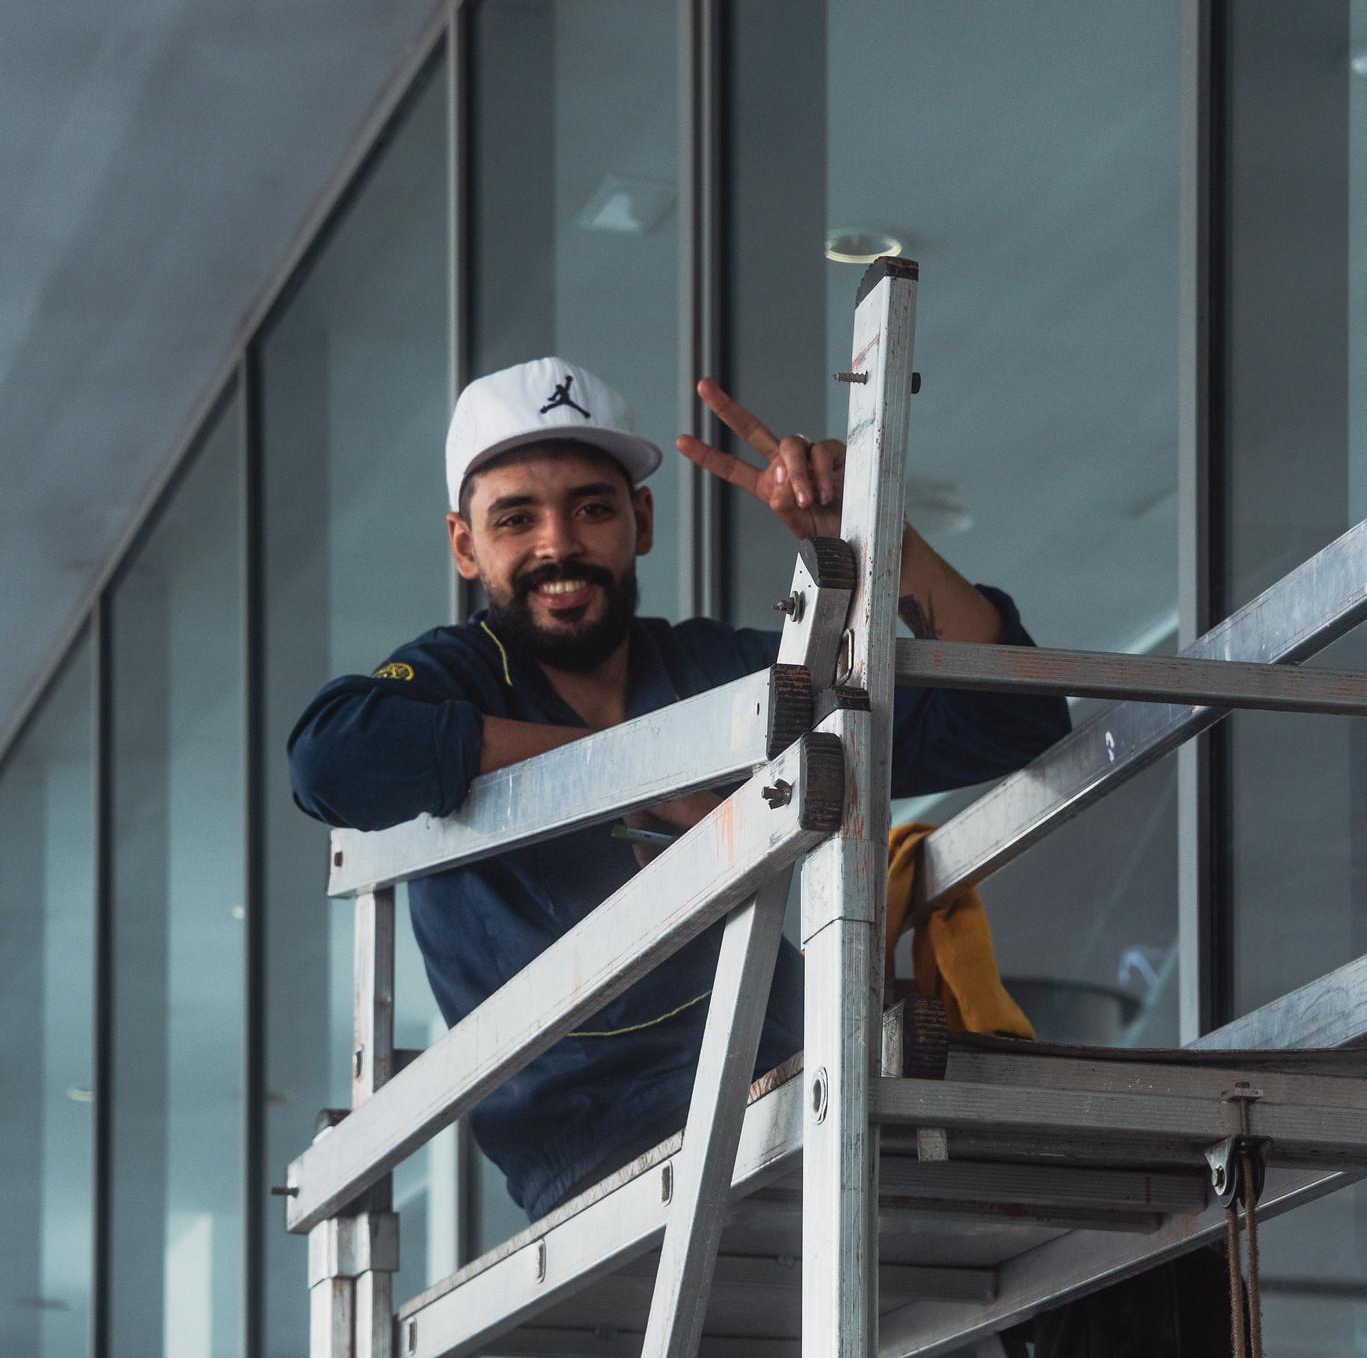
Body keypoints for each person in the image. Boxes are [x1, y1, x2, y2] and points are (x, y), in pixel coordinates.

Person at [288, 355, 1069, 1222]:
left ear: (642, 520)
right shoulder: (456, 676)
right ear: (465, 544)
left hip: (793, 1091)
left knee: (1093, 1211)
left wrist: (874, 537)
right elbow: (329, 759)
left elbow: (1007, 723)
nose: (558, 546)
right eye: (517, 518)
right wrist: (638, 773)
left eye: (592, 507)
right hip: (603, 1135)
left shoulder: (712, 672)